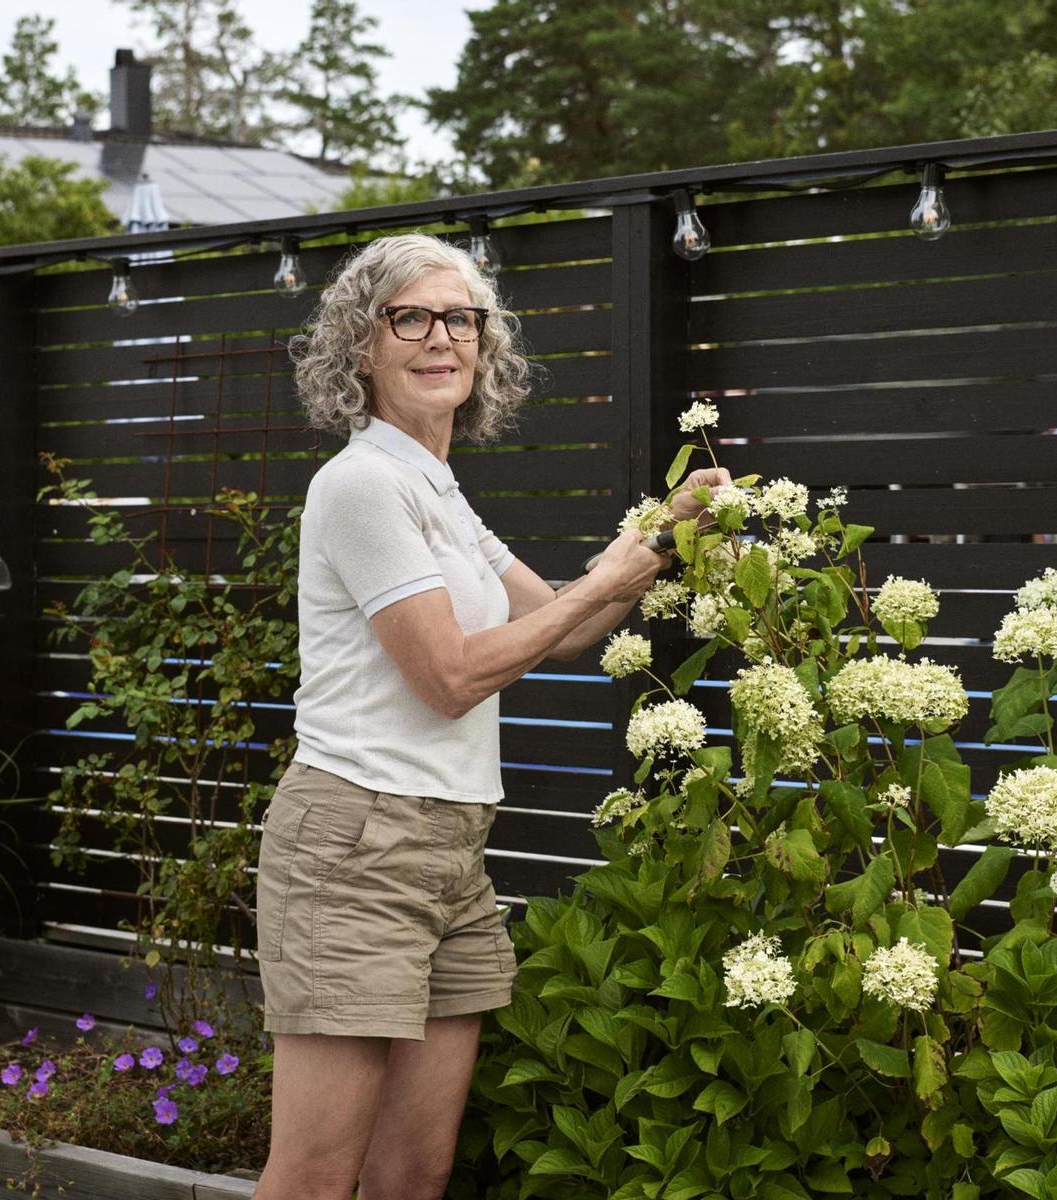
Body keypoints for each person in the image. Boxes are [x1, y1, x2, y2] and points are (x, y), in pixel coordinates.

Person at [254, 233, 728, 1200]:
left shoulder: (436, 489)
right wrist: (631, 570)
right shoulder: (361, 484)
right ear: (362, 347)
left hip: (449, 849)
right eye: (410, 318)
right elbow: (452, 677)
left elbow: (553, 625)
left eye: (460, 319)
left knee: (412, 1174)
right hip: (357, 843)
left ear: (484, 344)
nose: (441, 338)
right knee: (314, 1174)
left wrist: (658, 539)